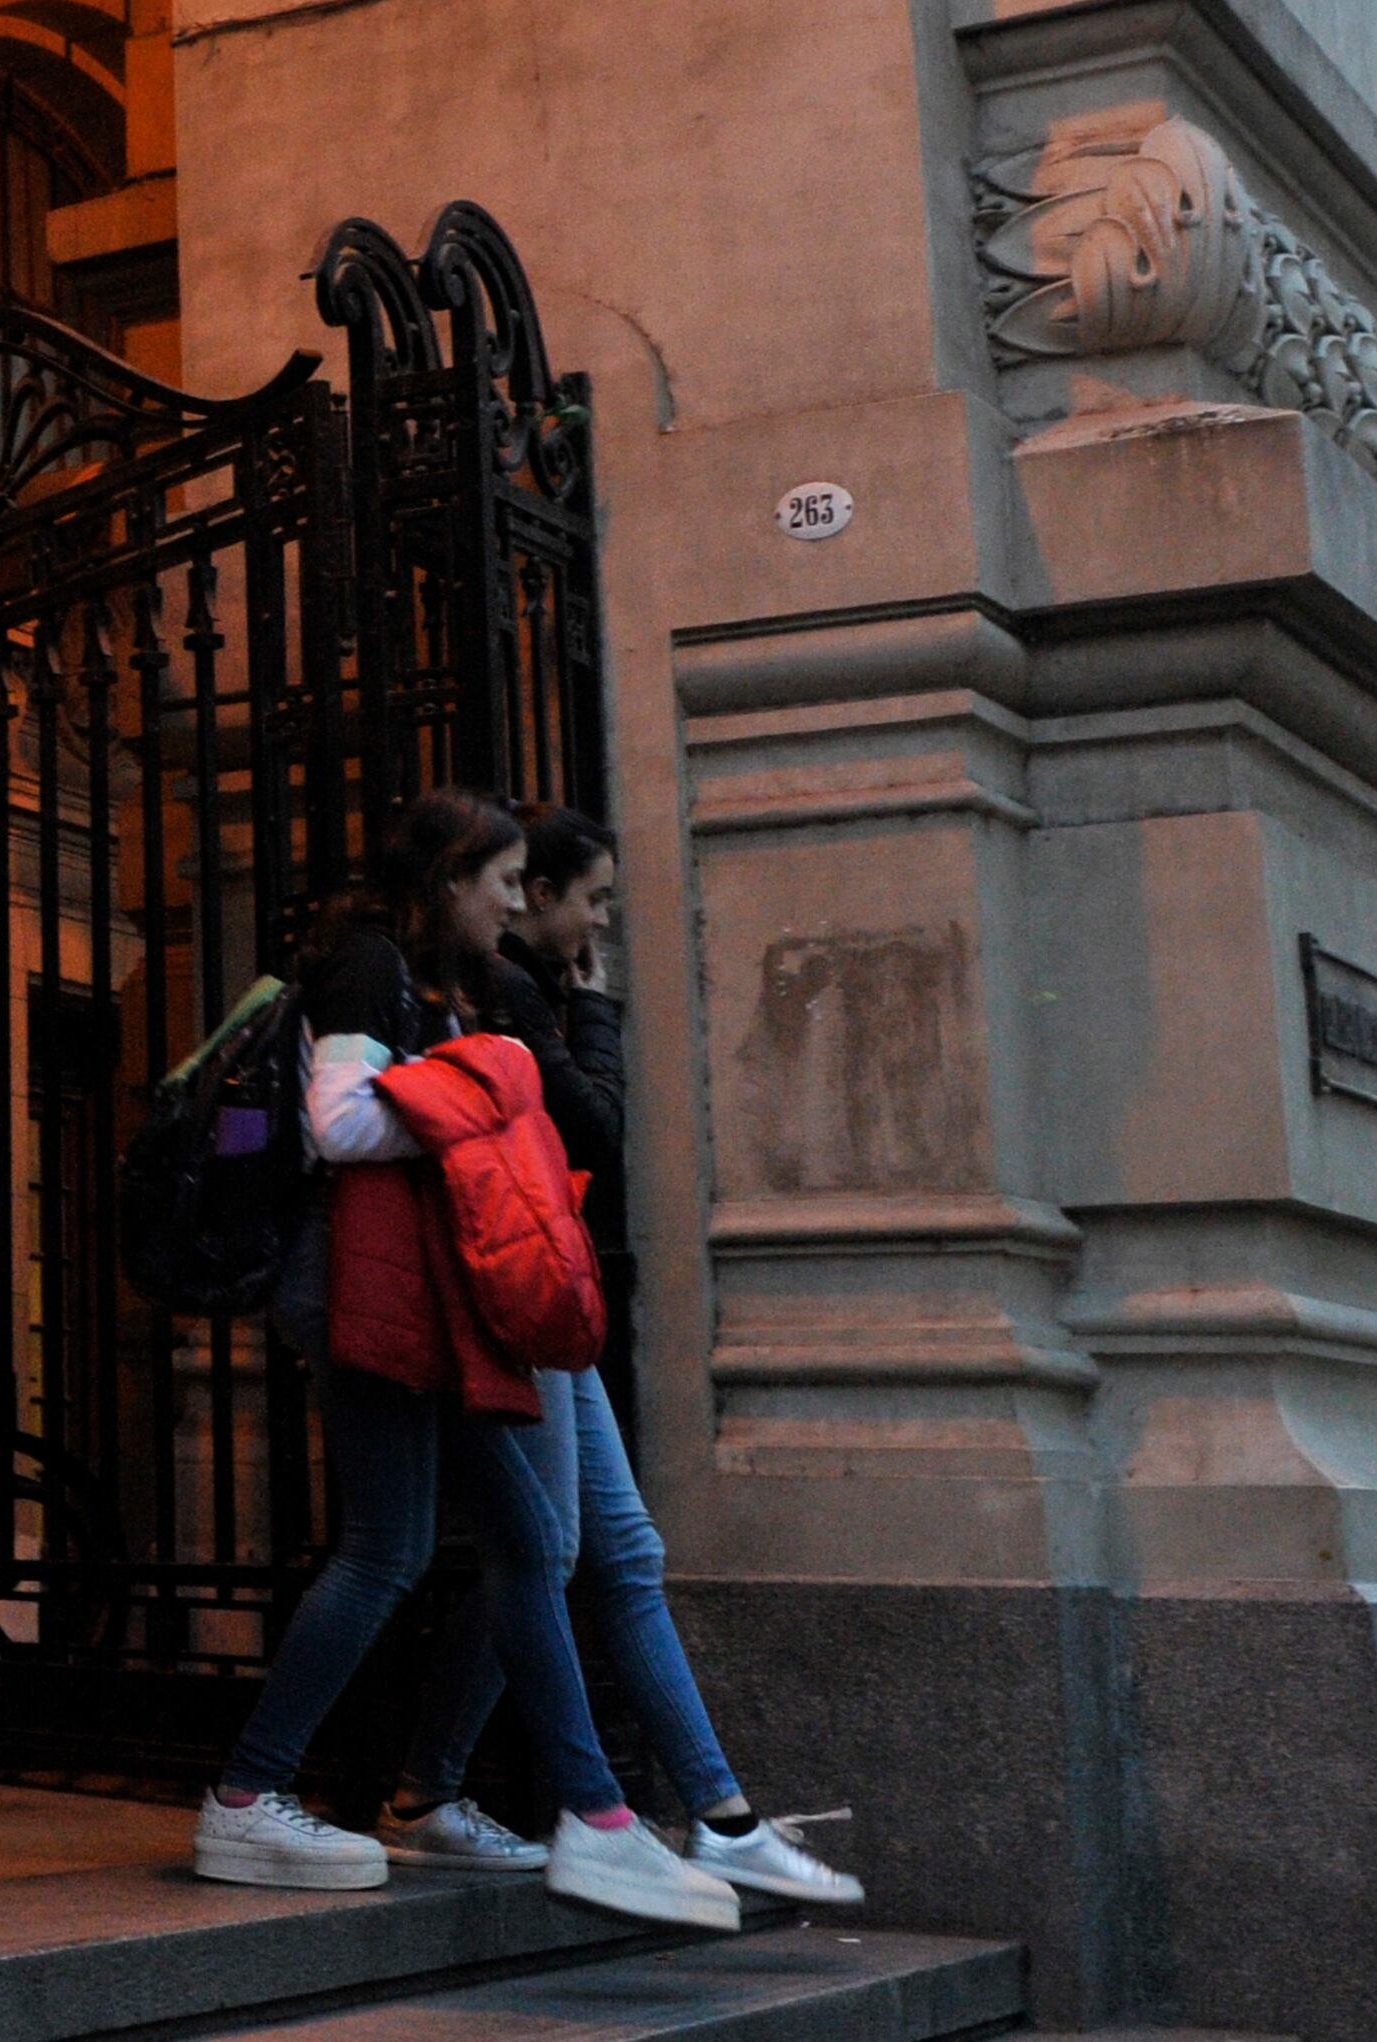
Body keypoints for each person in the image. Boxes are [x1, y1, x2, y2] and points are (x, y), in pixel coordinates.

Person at [191, 789, 736, 1932]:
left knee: (526, 1540)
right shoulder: (365, 964)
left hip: (428, 1301)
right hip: (371, 1298)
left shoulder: (428, 977)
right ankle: (248, 1789)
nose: (511, 896)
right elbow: (340, 1125)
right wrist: (482, 1102)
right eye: (498, 876)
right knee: (390, 1551)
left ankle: (588, 1816)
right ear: (446, 877)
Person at [368, 807, 861, 1912]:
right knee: (542, 1550)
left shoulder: (477, 986)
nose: (591, 918)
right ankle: (623, 1811)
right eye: (577, 896)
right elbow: (591, 1122)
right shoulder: (498, 991)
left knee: (602, 1548)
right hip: (507, 1290)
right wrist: (588, 1011)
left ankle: (455, 1791)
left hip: (540, 1289)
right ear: (516, 888)